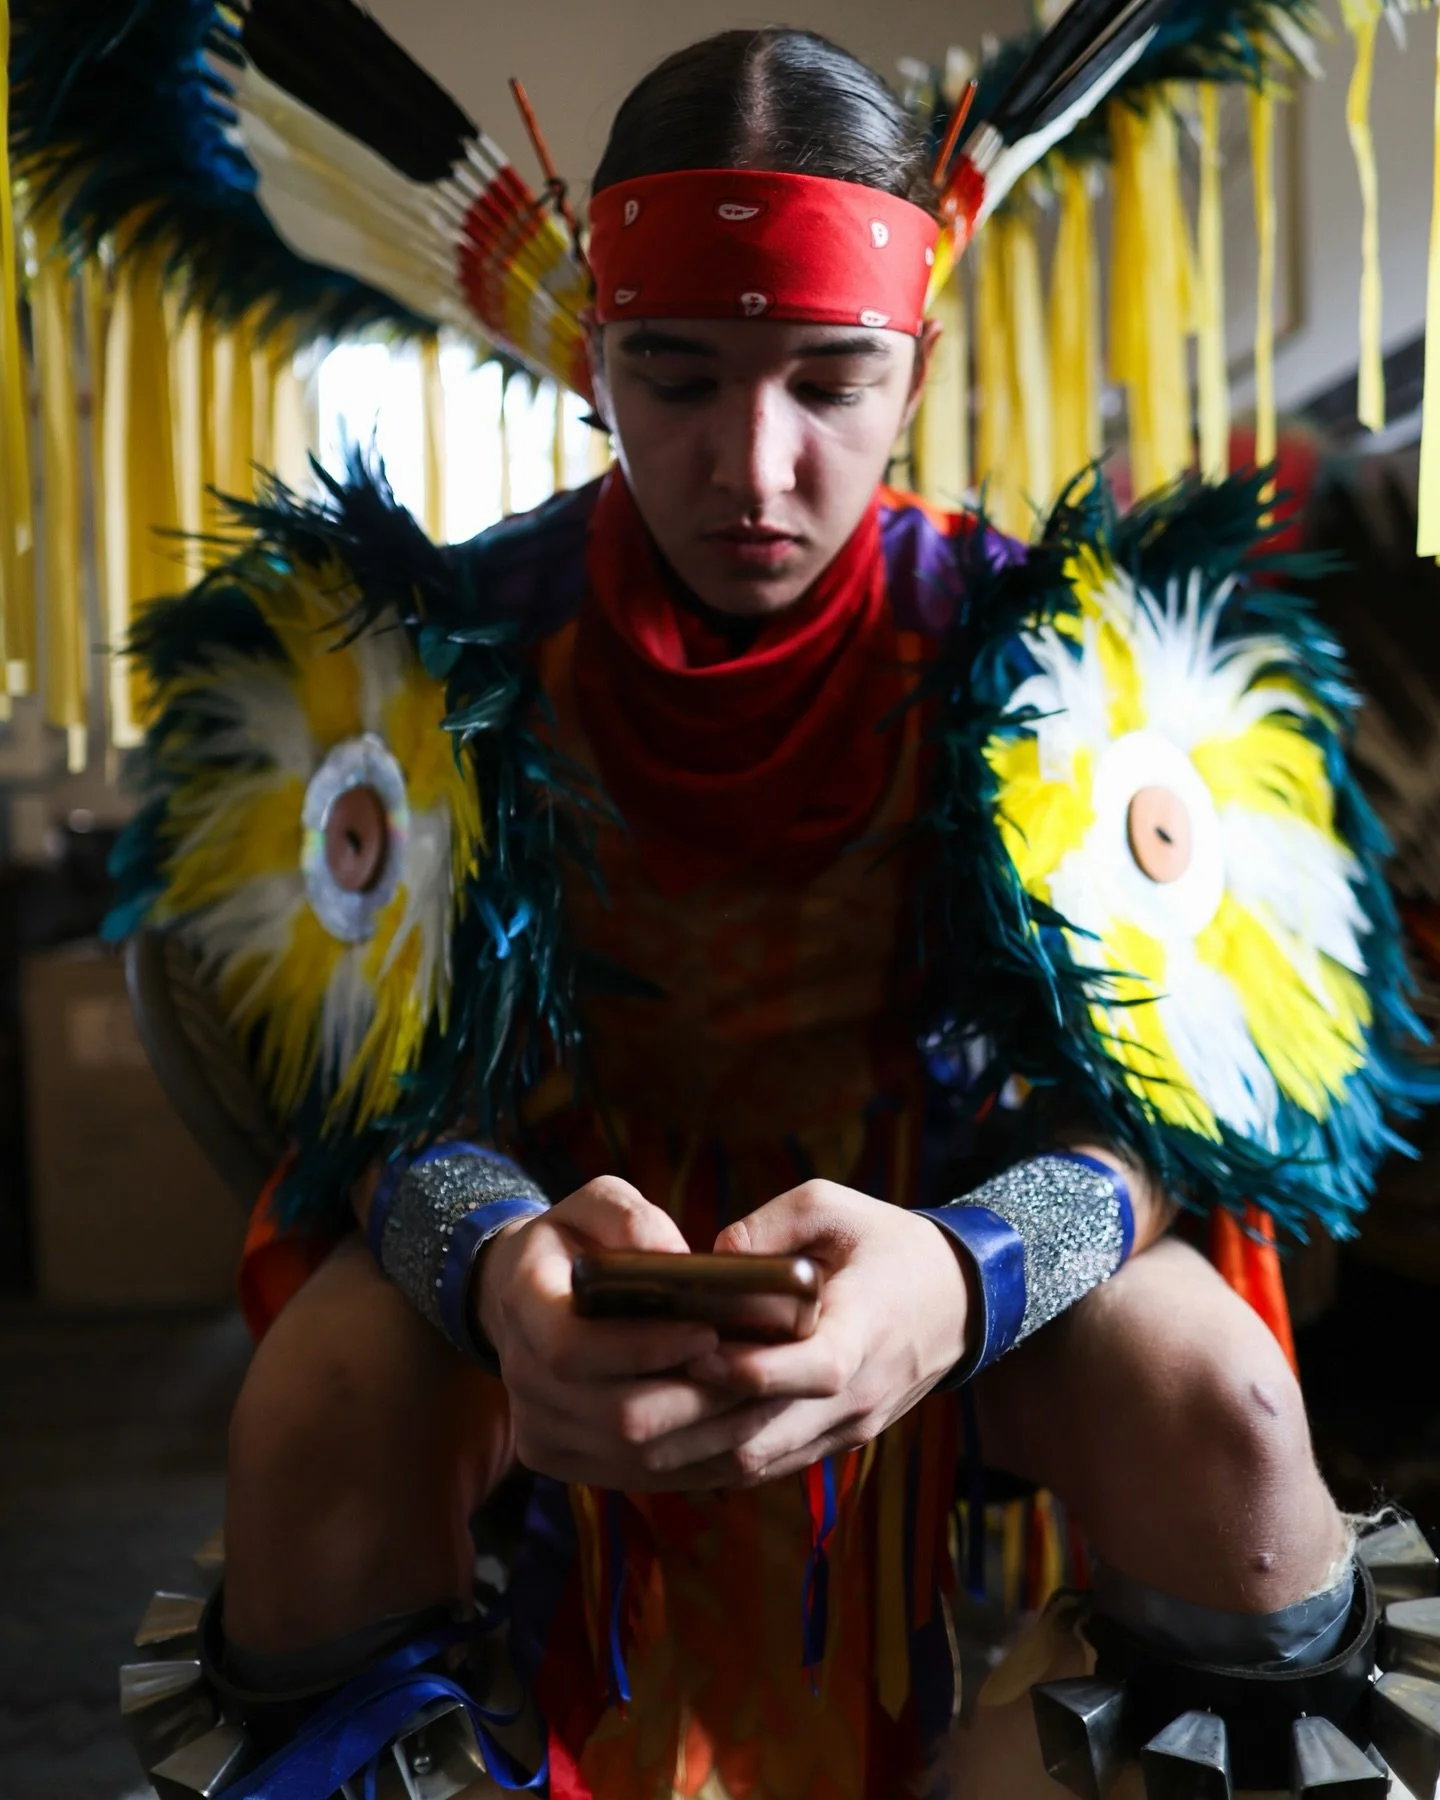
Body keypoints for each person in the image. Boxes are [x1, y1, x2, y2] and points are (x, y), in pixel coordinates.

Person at [110, 26, 1412, 1800]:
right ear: (591, 359)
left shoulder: (1054, 657)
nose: (755, 466)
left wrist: (969, 1277)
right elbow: (375, 1102)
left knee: (1230, 1401)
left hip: (946, 1275)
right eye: (676, 374)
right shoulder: (443, 654)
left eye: (830, 378)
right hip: (558, 1273)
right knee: (319, 1405)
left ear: (916, 363)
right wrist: (498, 1260)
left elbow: (1172, 1117)